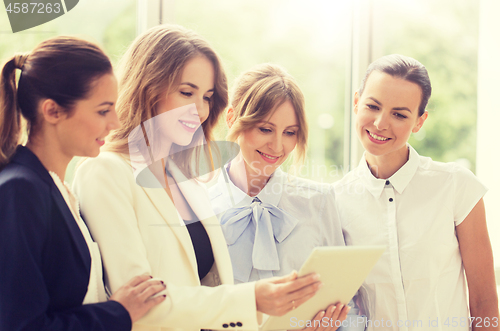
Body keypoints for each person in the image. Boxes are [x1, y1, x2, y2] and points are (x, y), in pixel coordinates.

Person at [72, 25, 322, 331]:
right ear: (148, 87)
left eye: (207, 96)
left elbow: (209, 289)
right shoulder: (106, 171)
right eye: (186, 92)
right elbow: (138, 305)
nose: (200, 109)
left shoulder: (185, 178)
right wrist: (253, 298)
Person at [0, 36, 166, 331]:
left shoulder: (57, 188)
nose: (115, 122)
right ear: (52, 111)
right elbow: (21, 326)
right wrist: (118, 312)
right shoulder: (20, 191)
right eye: (103, 110)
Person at [333, 54, 499, 331]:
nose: (380, 123)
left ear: (419, 121)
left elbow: (484, 301)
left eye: (399, 114)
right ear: (355, 102)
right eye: (372, 106)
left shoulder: (456, 185)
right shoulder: (336, 200)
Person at [208, 63, 363, 331]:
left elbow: (349, 308)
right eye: (265, 129)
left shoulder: (319, 202)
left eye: (290, 133)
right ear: (232, 118)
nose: (278, 146)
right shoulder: (197, 203)